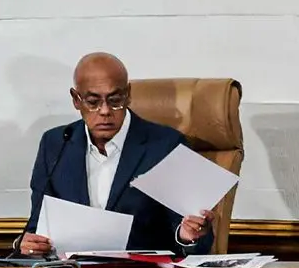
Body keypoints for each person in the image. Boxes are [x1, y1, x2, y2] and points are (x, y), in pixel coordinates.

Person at [17, 52, 215, 256]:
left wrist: (188, 236)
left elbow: (196, 236)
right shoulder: (56, 144)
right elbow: (37, 226)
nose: (105, 111)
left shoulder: (166, 145)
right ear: (76, 99)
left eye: (115, 100)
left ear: (128, 94)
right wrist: (27, 244)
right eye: (93, 102)